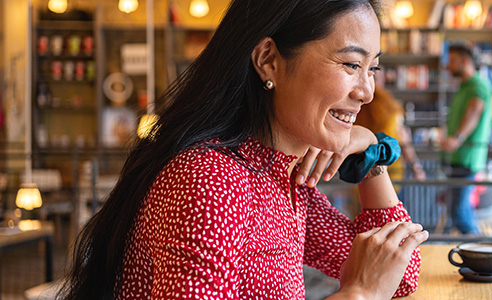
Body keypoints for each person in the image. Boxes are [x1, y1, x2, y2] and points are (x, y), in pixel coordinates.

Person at [61, 1, 428, 299]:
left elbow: (399, 272)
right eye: (351, 64)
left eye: (372, 68)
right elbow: (376, 284)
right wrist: (359, 294)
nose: (367, 91)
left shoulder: (280, 175)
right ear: (269, 60)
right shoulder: (210, 180)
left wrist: (371, 153)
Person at [440, 44, 492, 235]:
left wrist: (457, 138)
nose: (448, 66)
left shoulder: (477, 85)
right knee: (460, 211)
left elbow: (475, 108)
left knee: (459, 213)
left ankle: (482, 254)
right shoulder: (464, 86)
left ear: (465, 61)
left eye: (452, 61)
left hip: (467, 158)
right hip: (459, 158)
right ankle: (479, 253)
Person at [356, 85, 426, 181]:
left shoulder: (357, 118)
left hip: (361, 175)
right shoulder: (393, 116)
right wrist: (416, 167)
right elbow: (405, 143)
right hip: (392, 174)